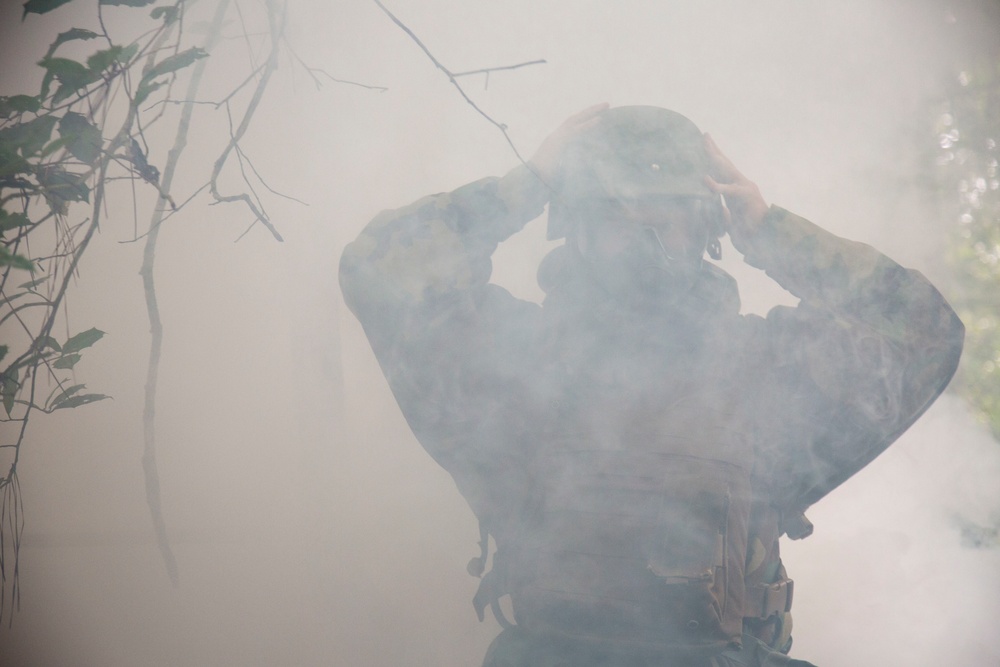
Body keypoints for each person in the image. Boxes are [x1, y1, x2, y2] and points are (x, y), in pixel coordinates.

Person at [339, 105, 964, 666]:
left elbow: (924, 331)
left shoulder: (765, 373)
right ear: (573, 227)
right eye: (615, 216)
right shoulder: (515, 366)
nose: (643, 240)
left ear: (707, 232)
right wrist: (522, 188)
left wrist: (769, 230)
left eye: (668, 218)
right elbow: (375, 268)